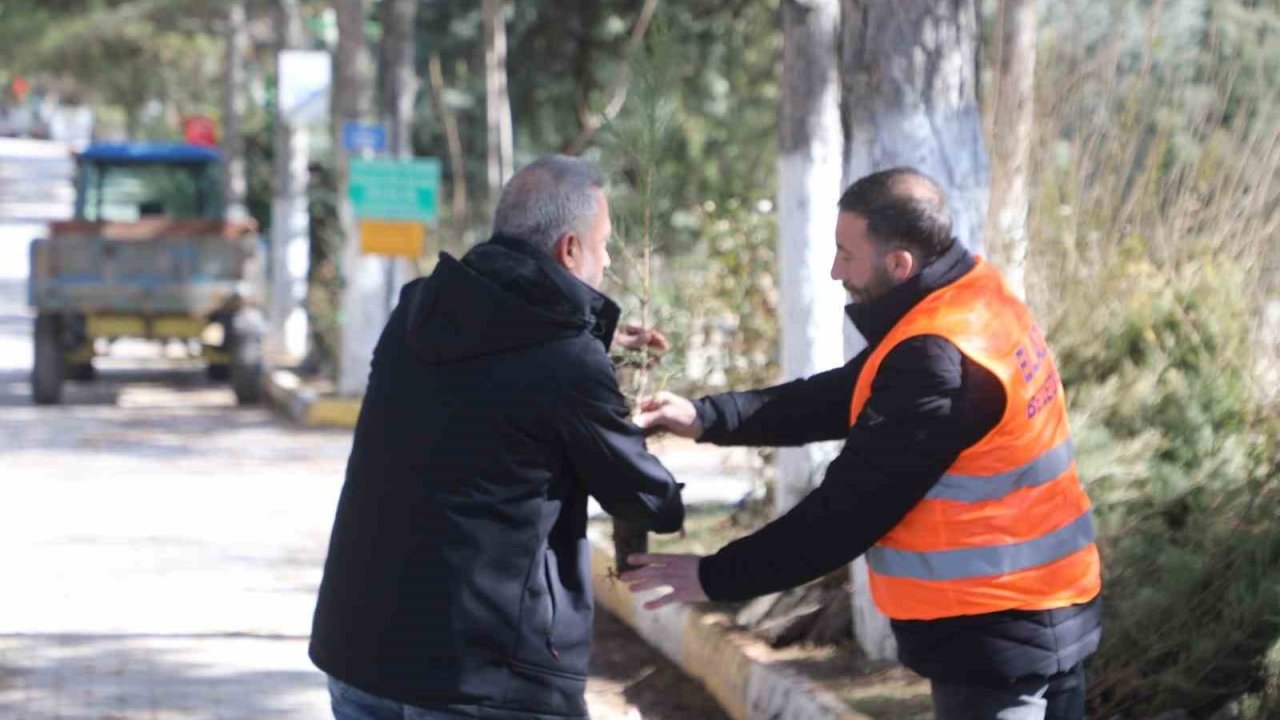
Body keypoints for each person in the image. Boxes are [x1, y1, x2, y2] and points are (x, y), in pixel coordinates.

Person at [624, 168, 1102, 720]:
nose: (833, 270)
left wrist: (714, 576)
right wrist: (707, 417)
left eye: (846, 255)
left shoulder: (937, 356)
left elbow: (844, 514)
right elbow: (851, 393)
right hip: (1049, 603)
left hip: (997, 630)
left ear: (900, 264)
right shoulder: (973, 301)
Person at [310, 155, 685, 720]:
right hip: (484, 677)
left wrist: (596, 347)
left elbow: (488, 388)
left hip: (362, 657)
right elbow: (651, 502)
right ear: (569, 250)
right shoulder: (565, 359)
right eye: (604, 244)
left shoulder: (417, 312)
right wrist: (644, 418)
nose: (608, 261)